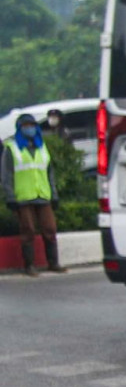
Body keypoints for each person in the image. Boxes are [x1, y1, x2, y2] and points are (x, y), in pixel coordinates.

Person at [4, 112, 59, 274]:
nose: (30, 129)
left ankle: (53, 263)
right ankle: (30, 265)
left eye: (32, 126)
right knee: (27, 231)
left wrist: (54, 194)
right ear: (20, 129)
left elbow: (50, 173)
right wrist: (10, 196)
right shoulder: (12, 148)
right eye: (26, 126)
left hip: (43, 195)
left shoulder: (42, 147)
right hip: (23, 197)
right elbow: (7, 175)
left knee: (50, 229)